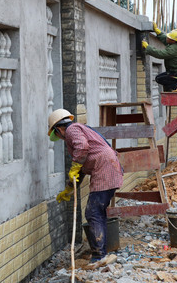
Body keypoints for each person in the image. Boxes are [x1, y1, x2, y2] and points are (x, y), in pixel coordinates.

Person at [48, 109, 123, 263]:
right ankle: (101, 251)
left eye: (58, 135)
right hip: (108, 167)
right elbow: (81, 167)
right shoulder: (79, 129)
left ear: (59, 129)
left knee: (93, 212)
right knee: (98, 212)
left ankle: (98, 256)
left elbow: (82, 148)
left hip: (104, 169)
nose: (61, 138)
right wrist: (70, 187)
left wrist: (75, 165)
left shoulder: (71, 130)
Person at [142, 23, 177, 92]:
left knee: (159, 79)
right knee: (163, 78)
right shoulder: (175, 44)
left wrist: (147, 47)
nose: (167, 38)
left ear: (173, 40)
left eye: (169, 37)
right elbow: (165, 39)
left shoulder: (173, 49)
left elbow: (160, 54)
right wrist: (158, 32)